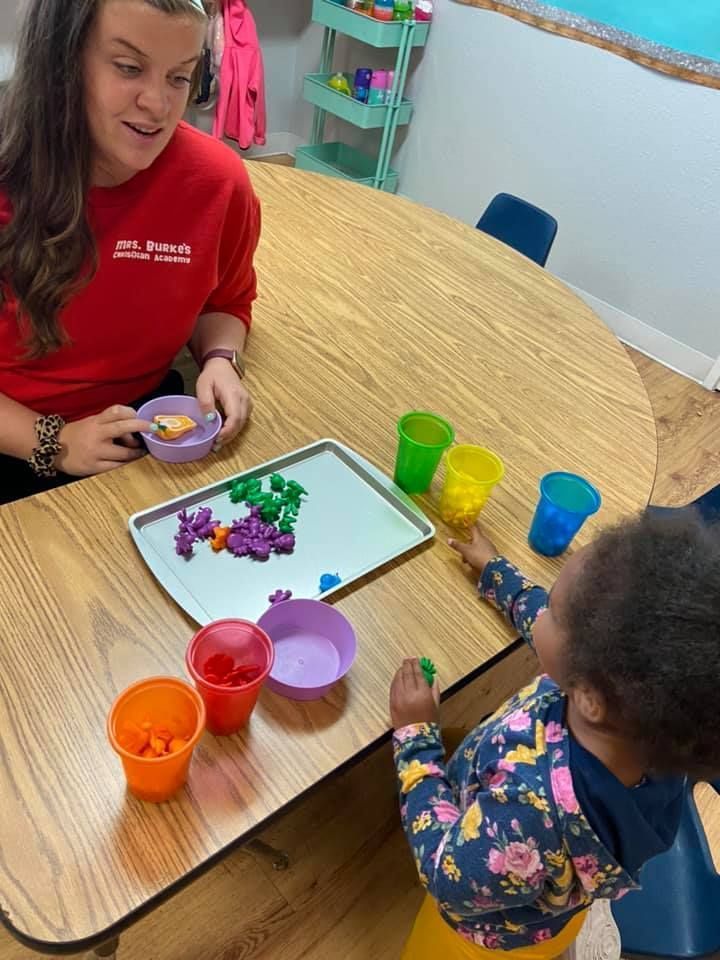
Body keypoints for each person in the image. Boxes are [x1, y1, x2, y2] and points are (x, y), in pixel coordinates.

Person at [390, 510, 720, 958]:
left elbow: (446, 875)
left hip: (475, 940)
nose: (542, 614)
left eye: (555, 614)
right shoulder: (655, 723)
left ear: (588, 696)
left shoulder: (528, 807)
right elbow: (566, 640)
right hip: (550, 914)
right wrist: (497, 574)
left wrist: (417, 739)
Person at [0, 0, 260, 505]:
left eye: (180, 78)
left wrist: (221, 360)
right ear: (64, 64)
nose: (158, 105)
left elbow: (226, 300)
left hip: (142, 430)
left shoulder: (218, 184)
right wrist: (52, 442)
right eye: (128, 68)